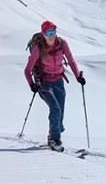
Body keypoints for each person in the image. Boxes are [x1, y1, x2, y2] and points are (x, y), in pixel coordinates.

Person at [24, 20, 85, 152]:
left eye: (54, 32)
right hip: (44, 82)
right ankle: (55, 140)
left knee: (60, 112)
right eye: (48, 33)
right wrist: (32, 84)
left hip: (59, 82)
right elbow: (27, 70)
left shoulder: (62, 44)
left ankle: (52, 135)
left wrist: (78, 76)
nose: (52, 35)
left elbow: (71, 60)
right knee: (56, 109)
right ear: (43, 34)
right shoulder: (38, 48)